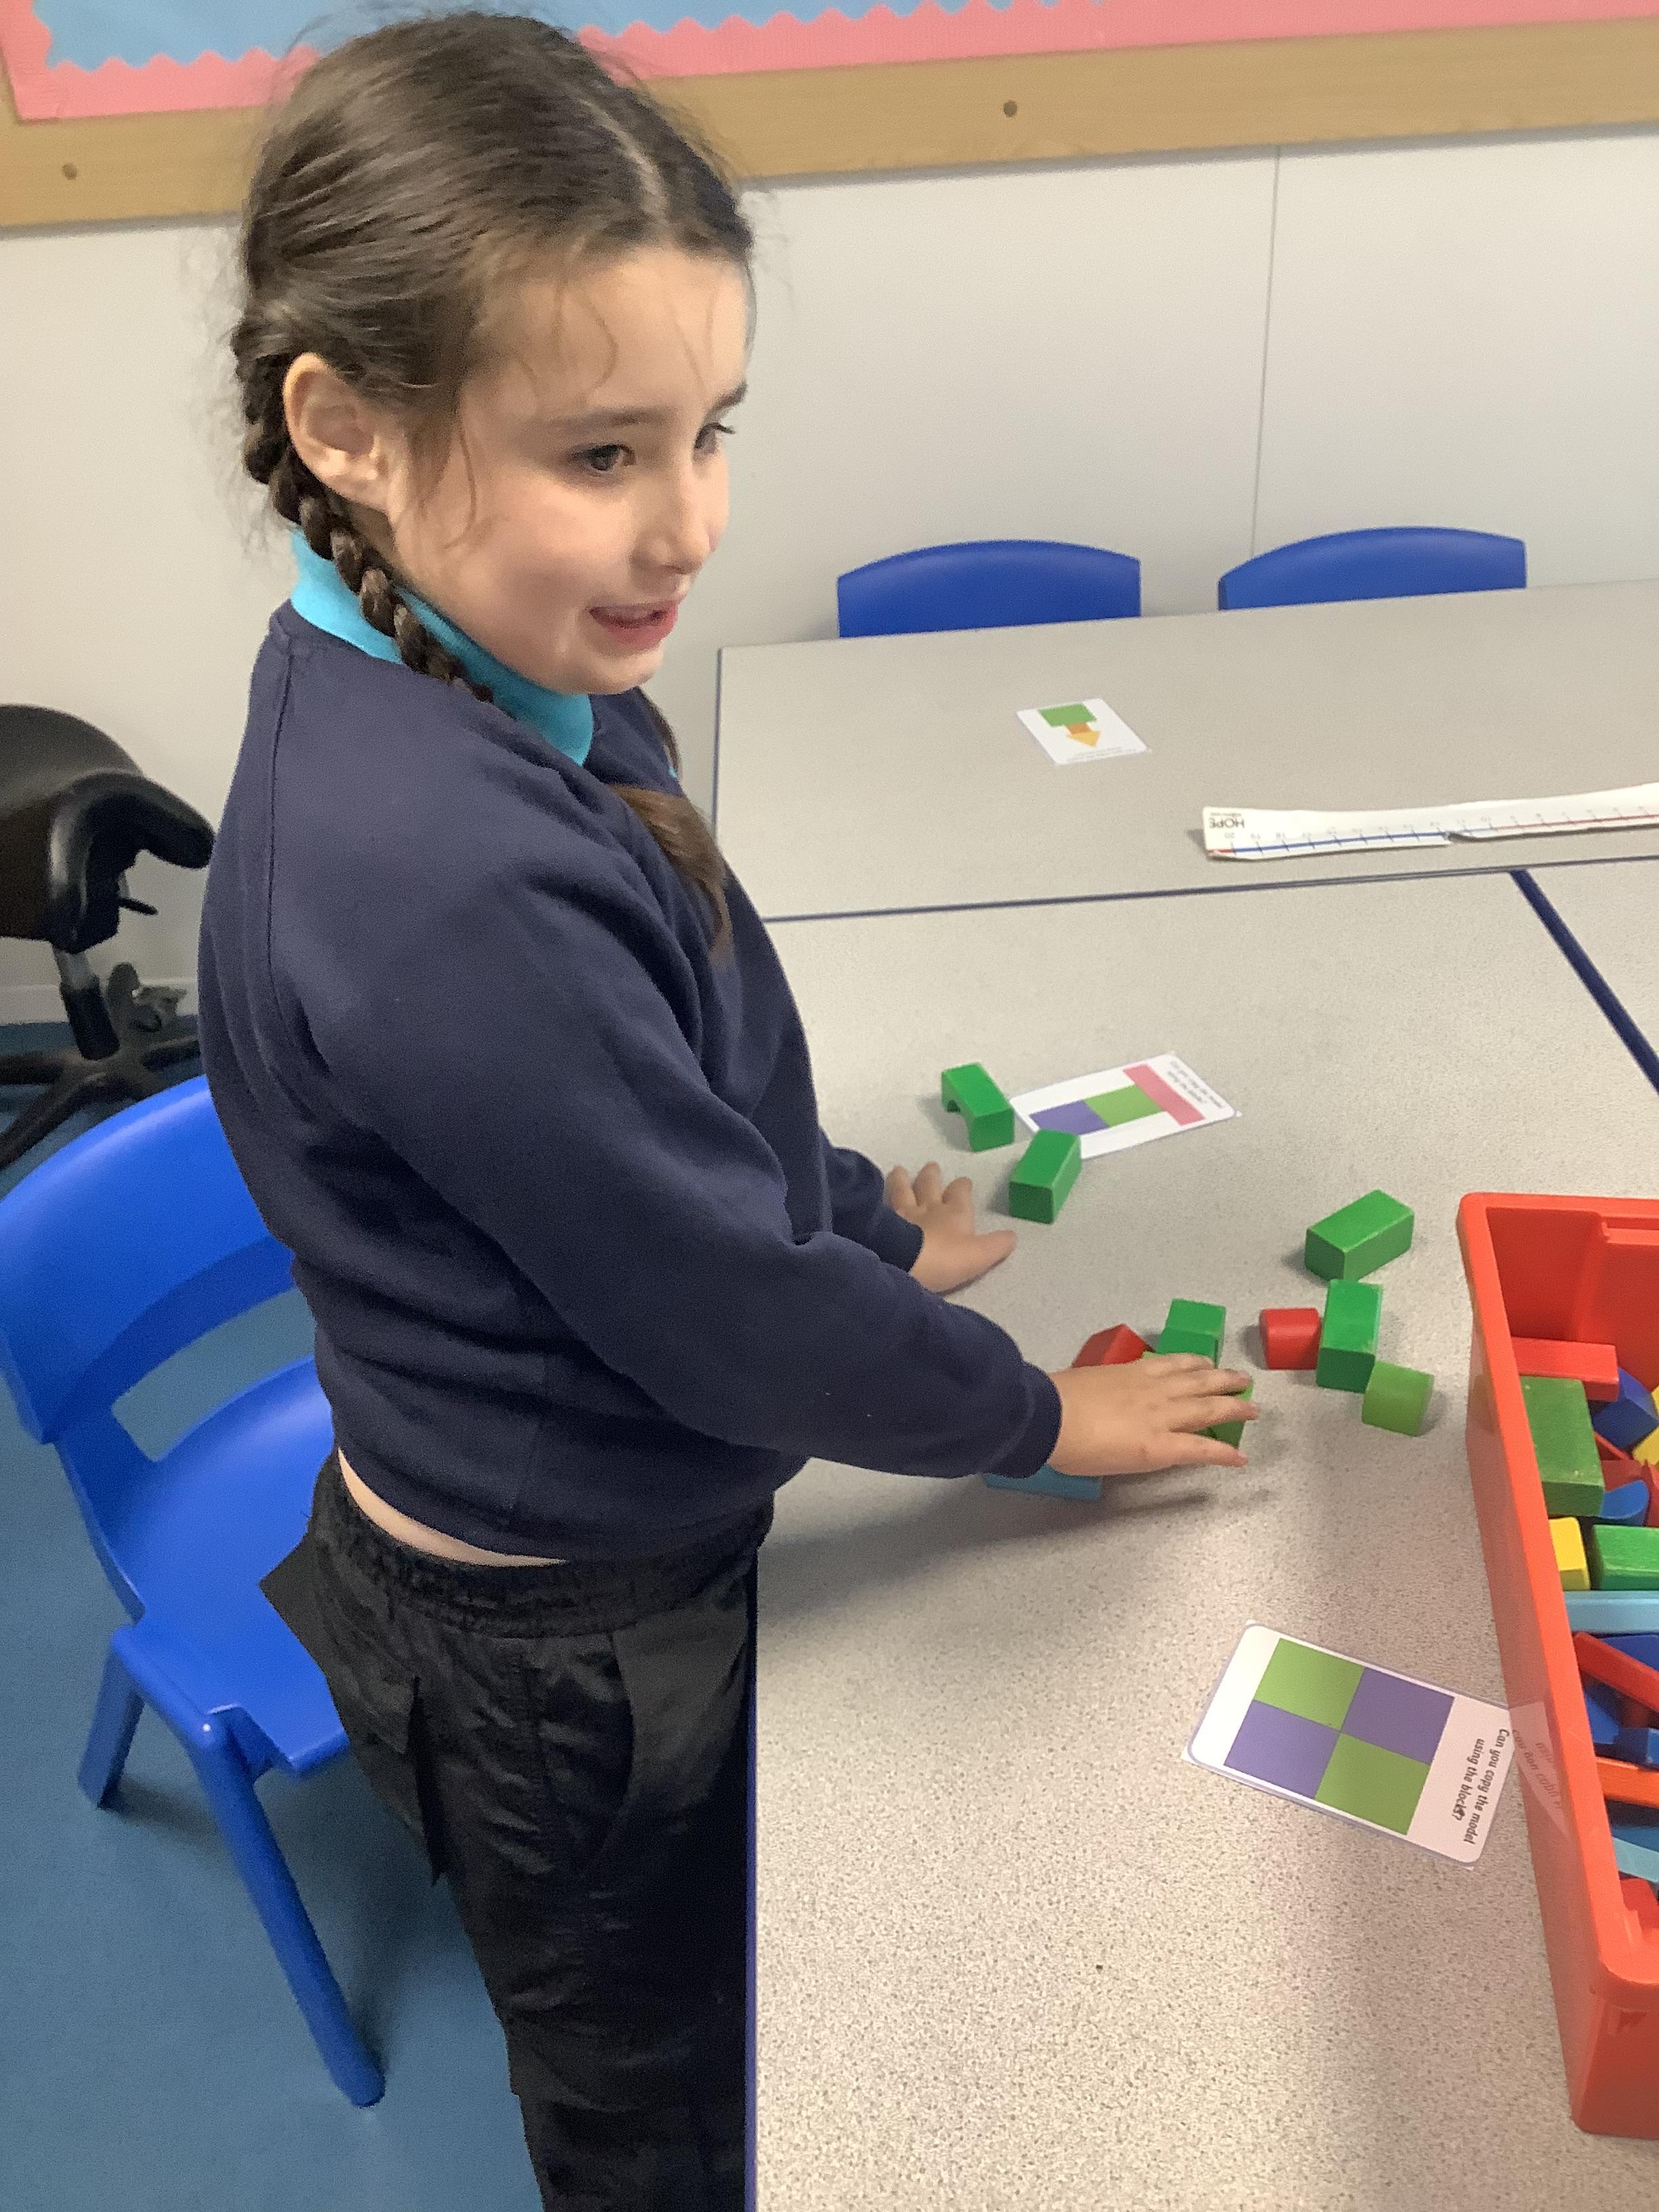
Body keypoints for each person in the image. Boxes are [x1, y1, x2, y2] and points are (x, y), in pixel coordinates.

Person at [197, 14, 1257, 2208]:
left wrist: (852, 1218)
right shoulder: (442, 877)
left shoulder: (491, 657)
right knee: (653, 2087)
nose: (688, 523)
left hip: (595, 1521)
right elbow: (720, 1314)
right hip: (561, 1643)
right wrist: (1033, 1419)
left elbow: (677, 1086)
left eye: (712, 431)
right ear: (349, 427)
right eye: (603, 452)